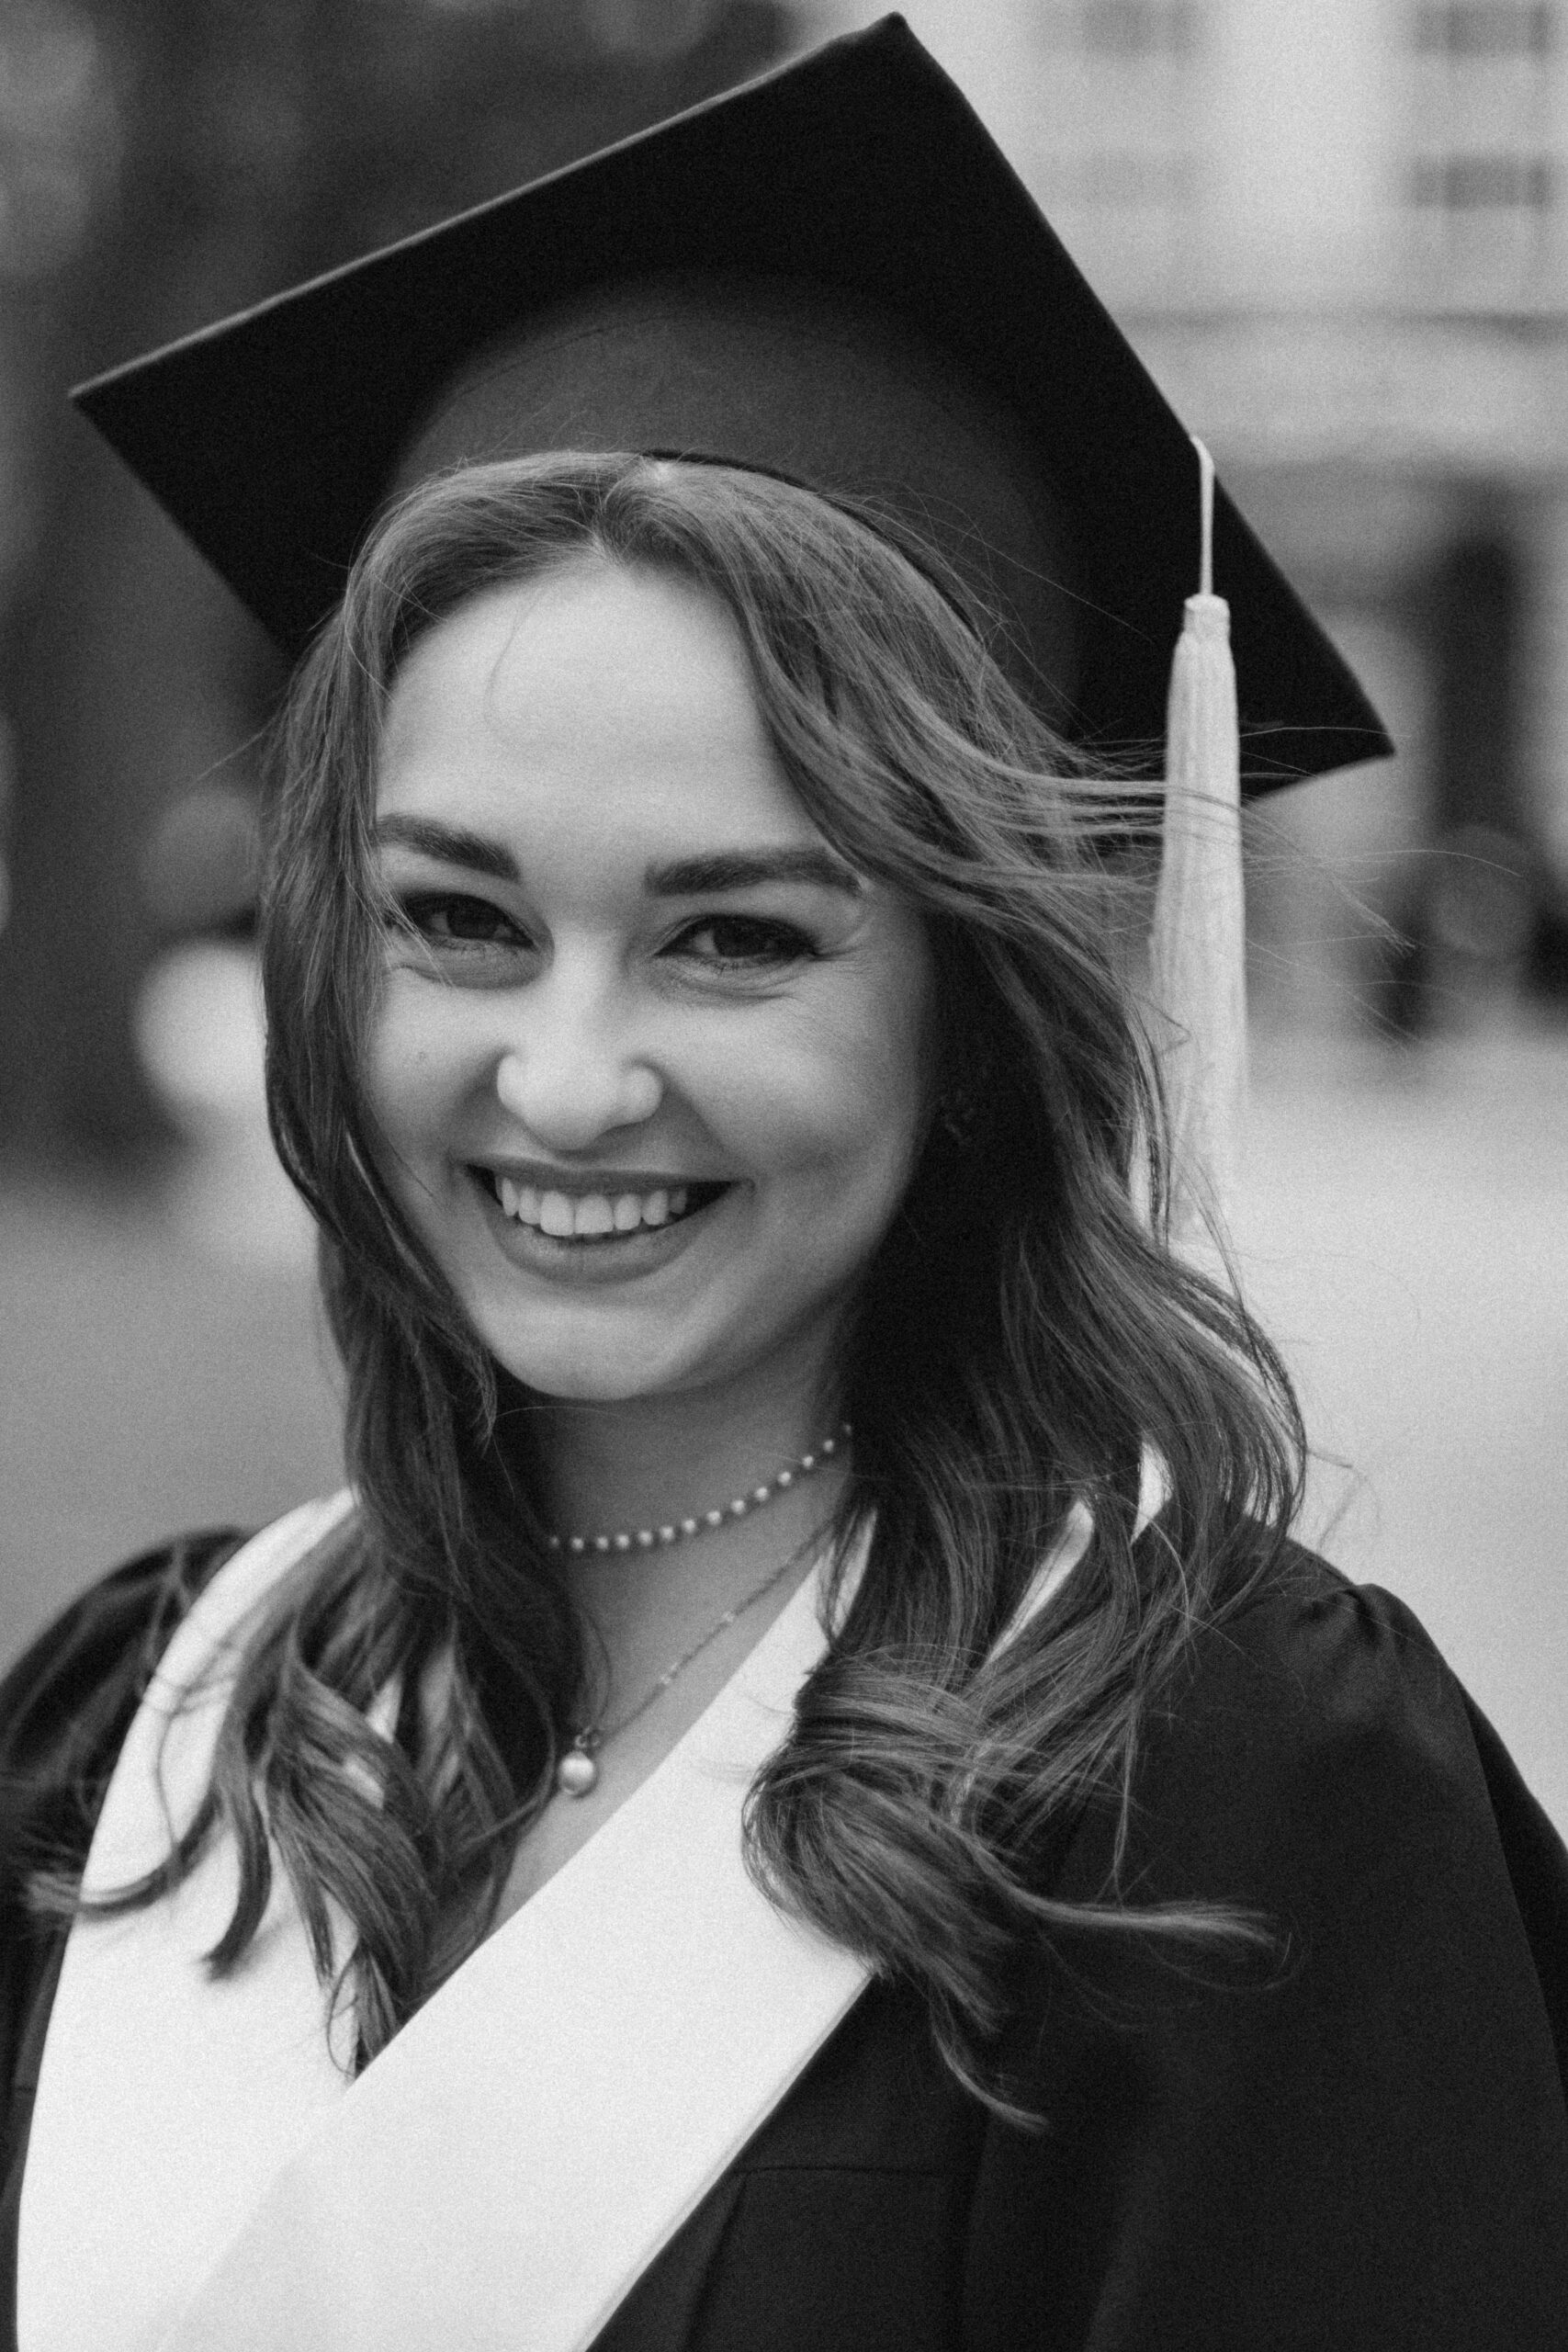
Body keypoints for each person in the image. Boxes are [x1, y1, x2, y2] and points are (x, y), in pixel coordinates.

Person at [4, 20, 1566, 2351]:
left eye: (733, 936)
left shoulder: (1235, 1818)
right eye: (457, 915)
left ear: (977, 1003)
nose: (561, 1072)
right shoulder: (153, 1725)